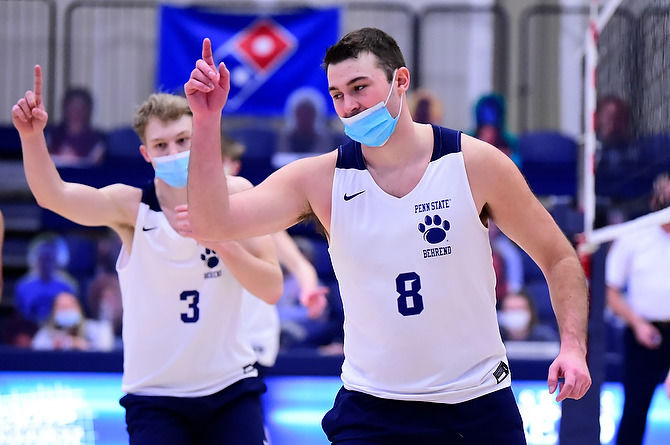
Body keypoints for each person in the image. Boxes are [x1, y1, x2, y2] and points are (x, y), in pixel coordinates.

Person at [183, 29, 591, 443]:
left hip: (475, 404)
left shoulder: (474, 163)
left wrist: (573, 345)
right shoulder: (320, 179)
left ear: (400, 80)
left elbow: (558, 257)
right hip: (372, 409)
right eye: (337, 95)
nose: (350, 105)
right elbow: (210, 224)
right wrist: (206, 119)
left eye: (359, 87)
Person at [12, 71, 282, 445]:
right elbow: (53, 195)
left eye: (183, 140)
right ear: (146, 153)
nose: (173, 153)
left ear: (201, 138)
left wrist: (222, 242)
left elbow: (271, 288)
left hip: (231, 388)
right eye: (161, 145)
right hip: (156, 396)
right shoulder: (131, 207)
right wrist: (31, 137)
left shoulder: (236, 195)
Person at [221, 133, 329, 367]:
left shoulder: (255, 215)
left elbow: (301, 266)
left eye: (220, 163)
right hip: (209, 341)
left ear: (234, 165)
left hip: (251, 338)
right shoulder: (179, 214)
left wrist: (309, 291)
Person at [605, 173, 670, 445]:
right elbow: (611, 292)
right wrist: (638, 323)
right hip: (642, 333)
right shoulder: (635, 234)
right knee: (634, 410)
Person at [14, 233, 78, 325]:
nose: (46, 263)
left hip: (60, 329)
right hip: (30, 330)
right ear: (35, 259)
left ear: (58, 260)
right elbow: (19, 316)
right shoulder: (22, 286)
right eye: (43, 258)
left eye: (49, 259)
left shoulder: (68, 285)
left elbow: (74, 314)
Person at [32, 290, 113, 351]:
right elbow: (36, 347)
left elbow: (105, 347)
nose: (66, 311)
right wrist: (59, 344)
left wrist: (84, 345)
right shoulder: (46, 333)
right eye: (62, 308)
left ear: (79, 309)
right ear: (53, 312)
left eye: (69, 306)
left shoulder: (94, 329)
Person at [46, 87, 106, 167]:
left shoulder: (97, 140)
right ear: (65, 108)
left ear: (88, 110)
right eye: (73, 107)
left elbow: (96, 166)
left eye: (81, 108)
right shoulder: (51, 134)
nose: (77, 112)